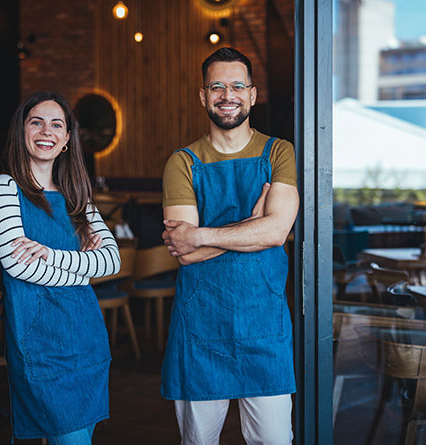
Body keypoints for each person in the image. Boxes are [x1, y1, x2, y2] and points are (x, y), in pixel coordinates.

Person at [161, 47, 299, 444]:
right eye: (217, 86)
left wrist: (203, 234)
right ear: (203, 96)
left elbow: (275, 232)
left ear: (253, 95)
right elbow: (182, 251)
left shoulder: (278, 152)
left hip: (264, 326)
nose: (228, 94)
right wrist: (251, 226)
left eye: (238, 85)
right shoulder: (182, 162)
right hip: (200, 327)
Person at [0, 91, 120, 444]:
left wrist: (50, 254)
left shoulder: (77, 196)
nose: (46, 131)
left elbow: (111, 260)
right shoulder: (5, 188)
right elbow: (20, 267)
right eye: (37, 122)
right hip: (42, 344)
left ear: (65, 140)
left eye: (56, 124)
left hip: (87, 337)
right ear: (22, 131)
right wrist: (83, 270)